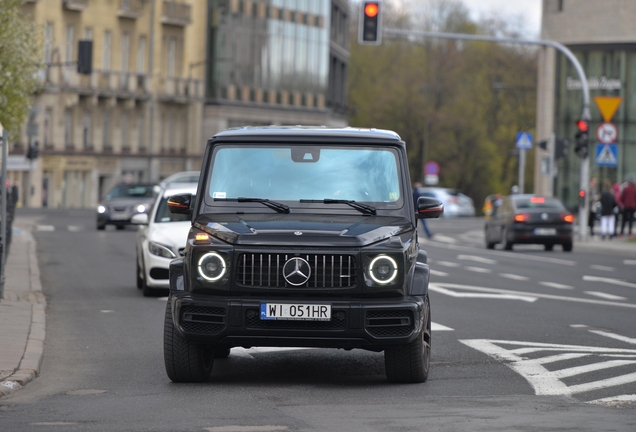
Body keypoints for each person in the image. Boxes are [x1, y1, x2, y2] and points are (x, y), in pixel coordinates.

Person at [619, 174, 636, 239]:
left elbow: (621, 198)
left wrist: (624, 203)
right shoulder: (634, 189)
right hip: (632, 207)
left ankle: (621, 233)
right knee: (631, 220)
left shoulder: (625, 189)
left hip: (626, 206)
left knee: (624, 220)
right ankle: (630, 233)